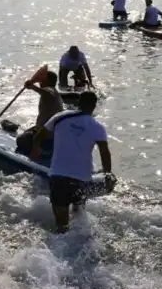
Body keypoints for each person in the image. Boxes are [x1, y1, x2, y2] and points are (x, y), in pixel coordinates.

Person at [33, 91, 113, 233]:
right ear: (94, 106)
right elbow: (104, 153)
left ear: (78, 102)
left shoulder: (60, 117)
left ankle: (61, 248)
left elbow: (40, 135)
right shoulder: (97, 127)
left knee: (62, 227)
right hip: (81, 178)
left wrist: (36, 150)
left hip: (58, 177)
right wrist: (108, 174)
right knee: (79, 215)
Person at [15, 69, 65, 156]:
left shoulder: (50, 91)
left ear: (46, 81)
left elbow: (48, 93)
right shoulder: (56, 94)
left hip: (48, 138)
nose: (39, 82)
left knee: (20, 140)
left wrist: (33, 87)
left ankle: (42, 151)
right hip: (54, 134)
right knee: (26, 132)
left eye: (42, 80)